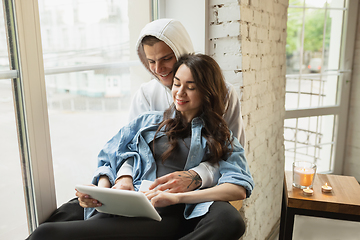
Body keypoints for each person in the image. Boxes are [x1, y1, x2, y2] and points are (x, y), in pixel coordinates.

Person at [27, 53, 254, 240]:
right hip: (127, 204)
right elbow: (110, 157)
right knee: (47, 231)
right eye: (176, 84)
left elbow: (238, 187)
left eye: (190, 87)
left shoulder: (221, 138)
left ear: (207, 92)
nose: (180, 93)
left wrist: (177, 198)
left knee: (45, 234)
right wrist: (103, 190)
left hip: (165, 215)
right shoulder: (147, 122)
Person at [42, 18, 246, 223]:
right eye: (151, 61)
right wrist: (122, 179)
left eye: (166, 58)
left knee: (228, 219)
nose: (158, 69)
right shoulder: (147, 99)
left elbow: (229, 156)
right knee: (65, 215)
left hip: (190, 196)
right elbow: (126, 148)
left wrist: (196, 176)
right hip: (142, 188)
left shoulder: (224, 94)